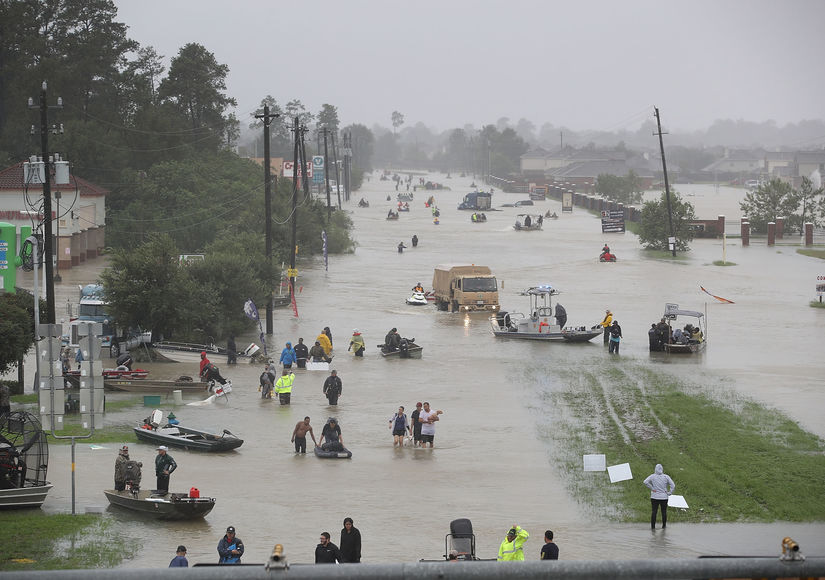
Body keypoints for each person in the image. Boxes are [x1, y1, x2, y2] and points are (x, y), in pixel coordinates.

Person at [644, 463, 676, 529]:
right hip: (664, 497)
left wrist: (652, 488)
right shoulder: (666, 477)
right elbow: (673, 485)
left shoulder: (652, 476)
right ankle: (664, 526)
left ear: (655, 469)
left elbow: (645, 482)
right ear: (662, 469)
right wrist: (670, 492)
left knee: (654, 512)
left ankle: (653, 527)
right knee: (664, 512)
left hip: (654, 497)